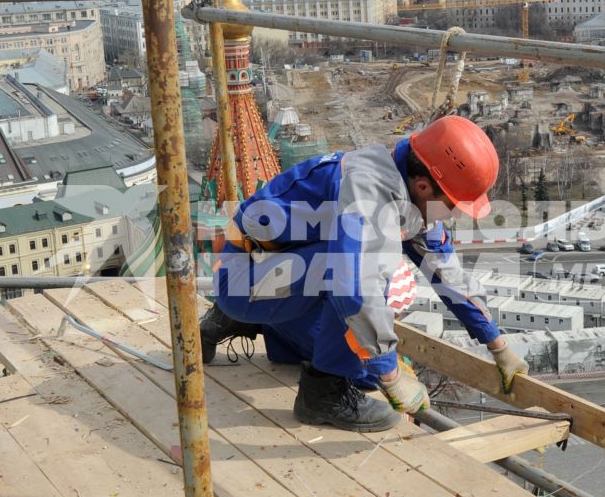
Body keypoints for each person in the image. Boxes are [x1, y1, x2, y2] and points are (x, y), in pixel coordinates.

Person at [205, 115, 527, 432]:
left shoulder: (406, 191)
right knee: (357, 273)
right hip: (242, 279)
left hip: (264, 269)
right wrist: (392, 376)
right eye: (454, 205)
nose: (456, 215)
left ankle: (241, 320)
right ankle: (323, 394)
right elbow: (355, 286)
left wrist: (496, 344)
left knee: (364, 370)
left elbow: (446, 271)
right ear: (424, 185)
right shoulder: (369, 193)